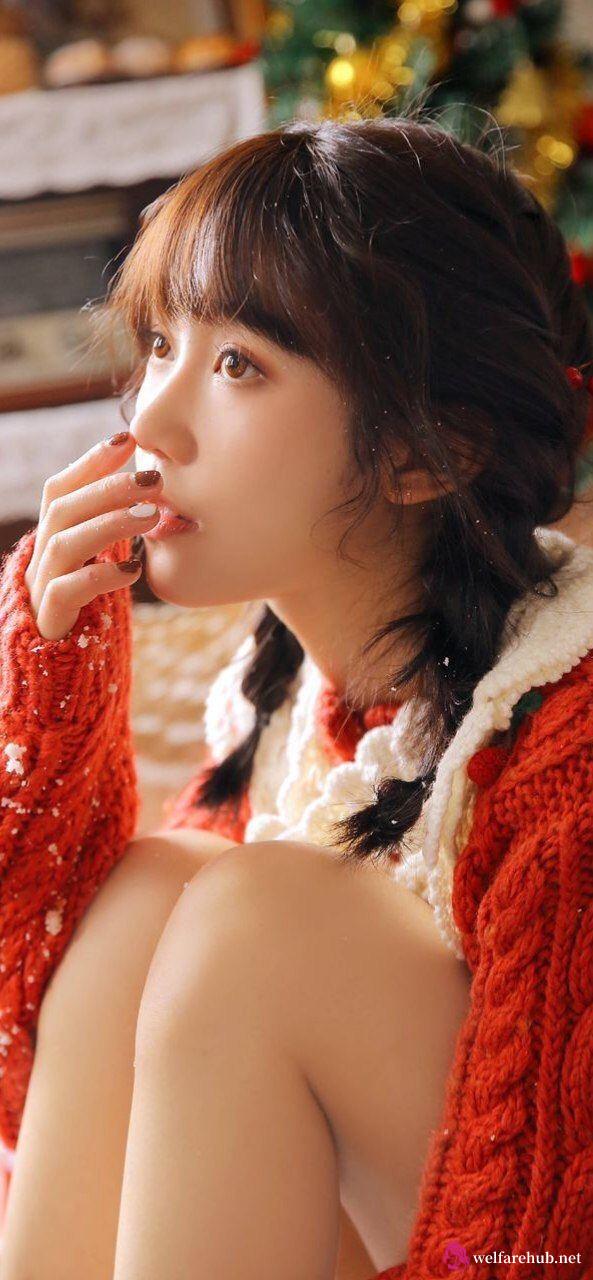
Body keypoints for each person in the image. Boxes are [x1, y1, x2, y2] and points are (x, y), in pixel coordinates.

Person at [0, 108, 592, 1280]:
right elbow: (46, 1086)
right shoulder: (282, 710)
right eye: (159, 343)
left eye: (238, 365)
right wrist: (53, 681)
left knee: (258, 915)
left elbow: (530, 1243)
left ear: (424, 451)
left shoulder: (559, 756)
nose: (150, 417)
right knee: (163, 884)